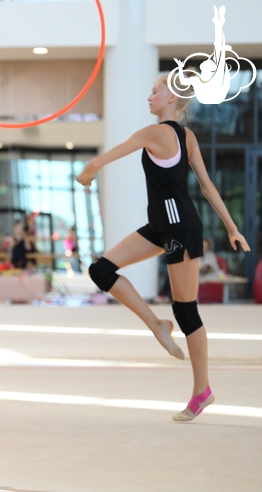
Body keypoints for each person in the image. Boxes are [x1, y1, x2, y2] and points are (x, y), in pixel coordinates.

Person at [76, 75, 249, 422]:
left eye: (156, 90)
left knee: (186, 311)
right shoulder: (187, 137)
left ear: (174, 98)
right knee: (101, 270)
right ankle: (156, 325)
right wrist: (231, 227)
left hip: (179, 228)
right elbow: (208, 187)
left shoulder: (154, 133)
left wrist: (86, 175)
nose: (150, 95)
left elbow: (97, 163)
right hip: (160, 225)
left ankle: (203, 390)